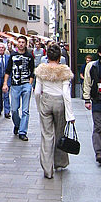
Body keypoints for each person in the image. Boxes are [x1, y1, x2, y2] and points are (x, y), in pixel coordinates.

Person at [34, 44, 75, 179]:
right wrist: (70, 114)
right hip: (59, 102)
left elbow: (37, 91)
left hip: (45, 100)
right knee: (59, 133)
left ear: (47, 56)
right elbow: (66, 93)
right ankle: (60, 162)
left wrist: (39, 106)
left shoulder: (41, 70)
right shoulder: (64, 71)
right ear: (59, 57)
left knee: (46, 135)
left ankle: (47, 169)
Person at [3, 36, 34, 141]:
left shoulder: (29, 56)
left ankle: (22, 132)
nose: (21, 44)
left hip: (26, 84)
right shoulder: (13, 56)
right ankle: (18, 124)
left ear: (26, 44)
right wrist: (5, 84)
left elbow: (32, 71)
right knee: (14, 109)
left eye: (23, 42)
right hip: (15, 85)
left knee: (25, 110)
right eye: (19, 42)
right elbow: (8, 70)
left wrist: (30, 84)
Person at [83, 43, 101, 164]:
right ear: (100, 54)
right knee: (99, 126)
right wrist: (87, 99)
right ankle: (99, 152)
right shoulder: (93, 66)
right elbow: (87, 82)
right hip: (98, 99)